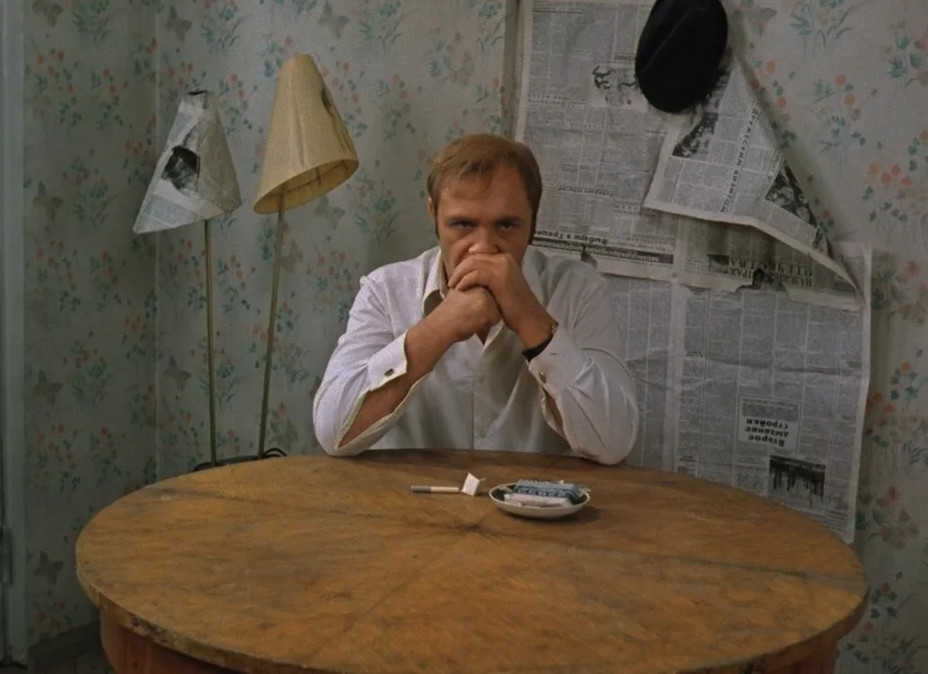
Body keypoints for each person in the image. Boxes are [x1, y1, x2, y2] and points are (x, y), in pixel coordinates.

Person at [312, 133, 638, 465]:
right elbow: (333, 432)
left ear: (533, 221)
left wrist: (530, 318)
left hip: (539, 496)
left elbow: (613, 442)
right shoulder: (386, 290)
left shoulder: (577, 290)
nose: (482, 247)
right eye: (462, 224)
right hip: (413, 496)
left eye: (506, 226)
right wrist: (440, 326)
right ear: (434, 215)